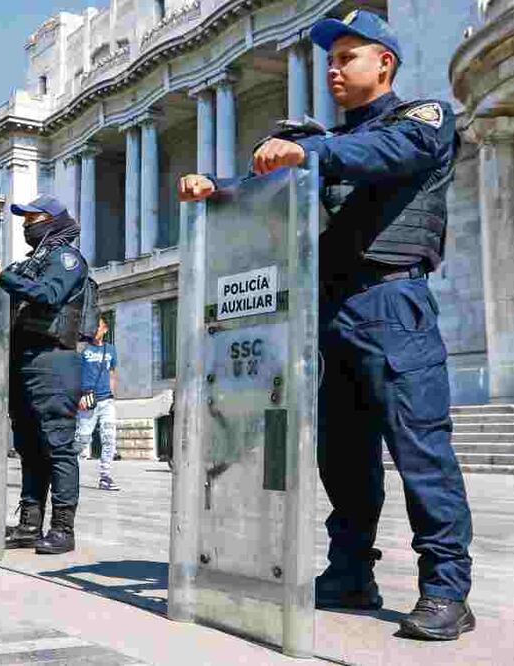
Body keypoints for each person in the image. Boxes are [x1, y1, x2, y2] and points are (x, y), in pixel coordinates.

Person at [177, 9, 473, 640]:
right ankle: (350, 572)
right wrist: (220, 189)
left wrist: (305, 150)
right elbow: (280, 187)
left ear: (384, 63)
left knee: (421, 451)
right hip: (329, 311)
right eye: (330, 61)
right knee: (343, 456)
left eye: (348, 59)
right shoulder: (326, 145)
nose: (333, 70)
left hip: (393, 306)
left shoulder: (422, 119)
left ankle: (447, 587)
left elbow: (380, 152)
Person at [0, 195, 89, 555]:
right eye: (25, 219)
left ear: (54, 221)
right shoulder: (31, 263)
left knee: (58, 446)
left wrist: (5, 278)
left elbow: (50, 294)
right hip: (22, 359)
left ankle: (63, 528)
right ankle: (30, 523)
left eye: (34, 217)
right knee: (29, 448)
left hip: (53, 360)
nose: (27, 224)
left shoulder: (66, 259)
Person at [75, 316, 120, 491]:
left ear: (105, 329)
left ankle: (105, 476)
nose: (95, 330)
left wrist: (112, 395)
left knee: (109, 439)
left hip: (106, 401)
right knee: (82, 439)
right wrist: (79, 396)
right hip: (88, 400)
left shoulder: (111, 350)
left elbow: (113, 372)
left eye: (98, 327)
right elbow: (75, 374)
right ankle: (69, 473)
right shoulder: (83, 349)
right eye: (93, 327)